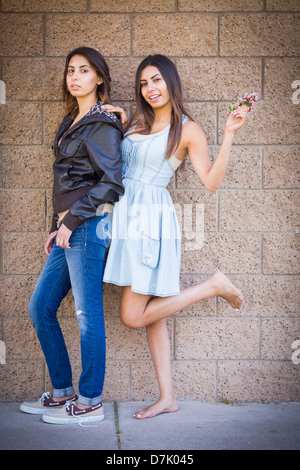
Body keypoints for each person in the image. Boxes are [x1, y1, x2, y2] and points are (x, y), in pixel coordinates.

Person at [102, 54, 249, 419]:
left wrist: (229, 134)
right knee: (154, 315)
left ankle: (212, 286)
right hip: (125, 219)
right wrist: (119, 122)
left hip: (150, 222)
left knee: (133, 316)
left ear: (170, 81)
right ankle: (168, 397)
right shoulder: (138, 120)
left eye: (156, 80)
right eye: (143, 83)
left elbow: (211, 182)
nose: (150, 89)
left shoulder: (188, 129)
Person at [20, 47, 124, 425]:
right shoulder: (72, 121)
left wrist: (70, 220)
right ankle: (62, 390)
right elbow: (65, 181)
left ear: (99, 78)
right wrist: (55, 225)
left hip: (87, 227)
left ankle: (90, 400)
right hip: (67, 231)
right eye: (70, 71)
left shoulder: (102, 124)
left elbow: (111, 184)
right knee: (40, 307)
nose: (75, 76)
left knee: (86, 315)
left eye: (84, 70)